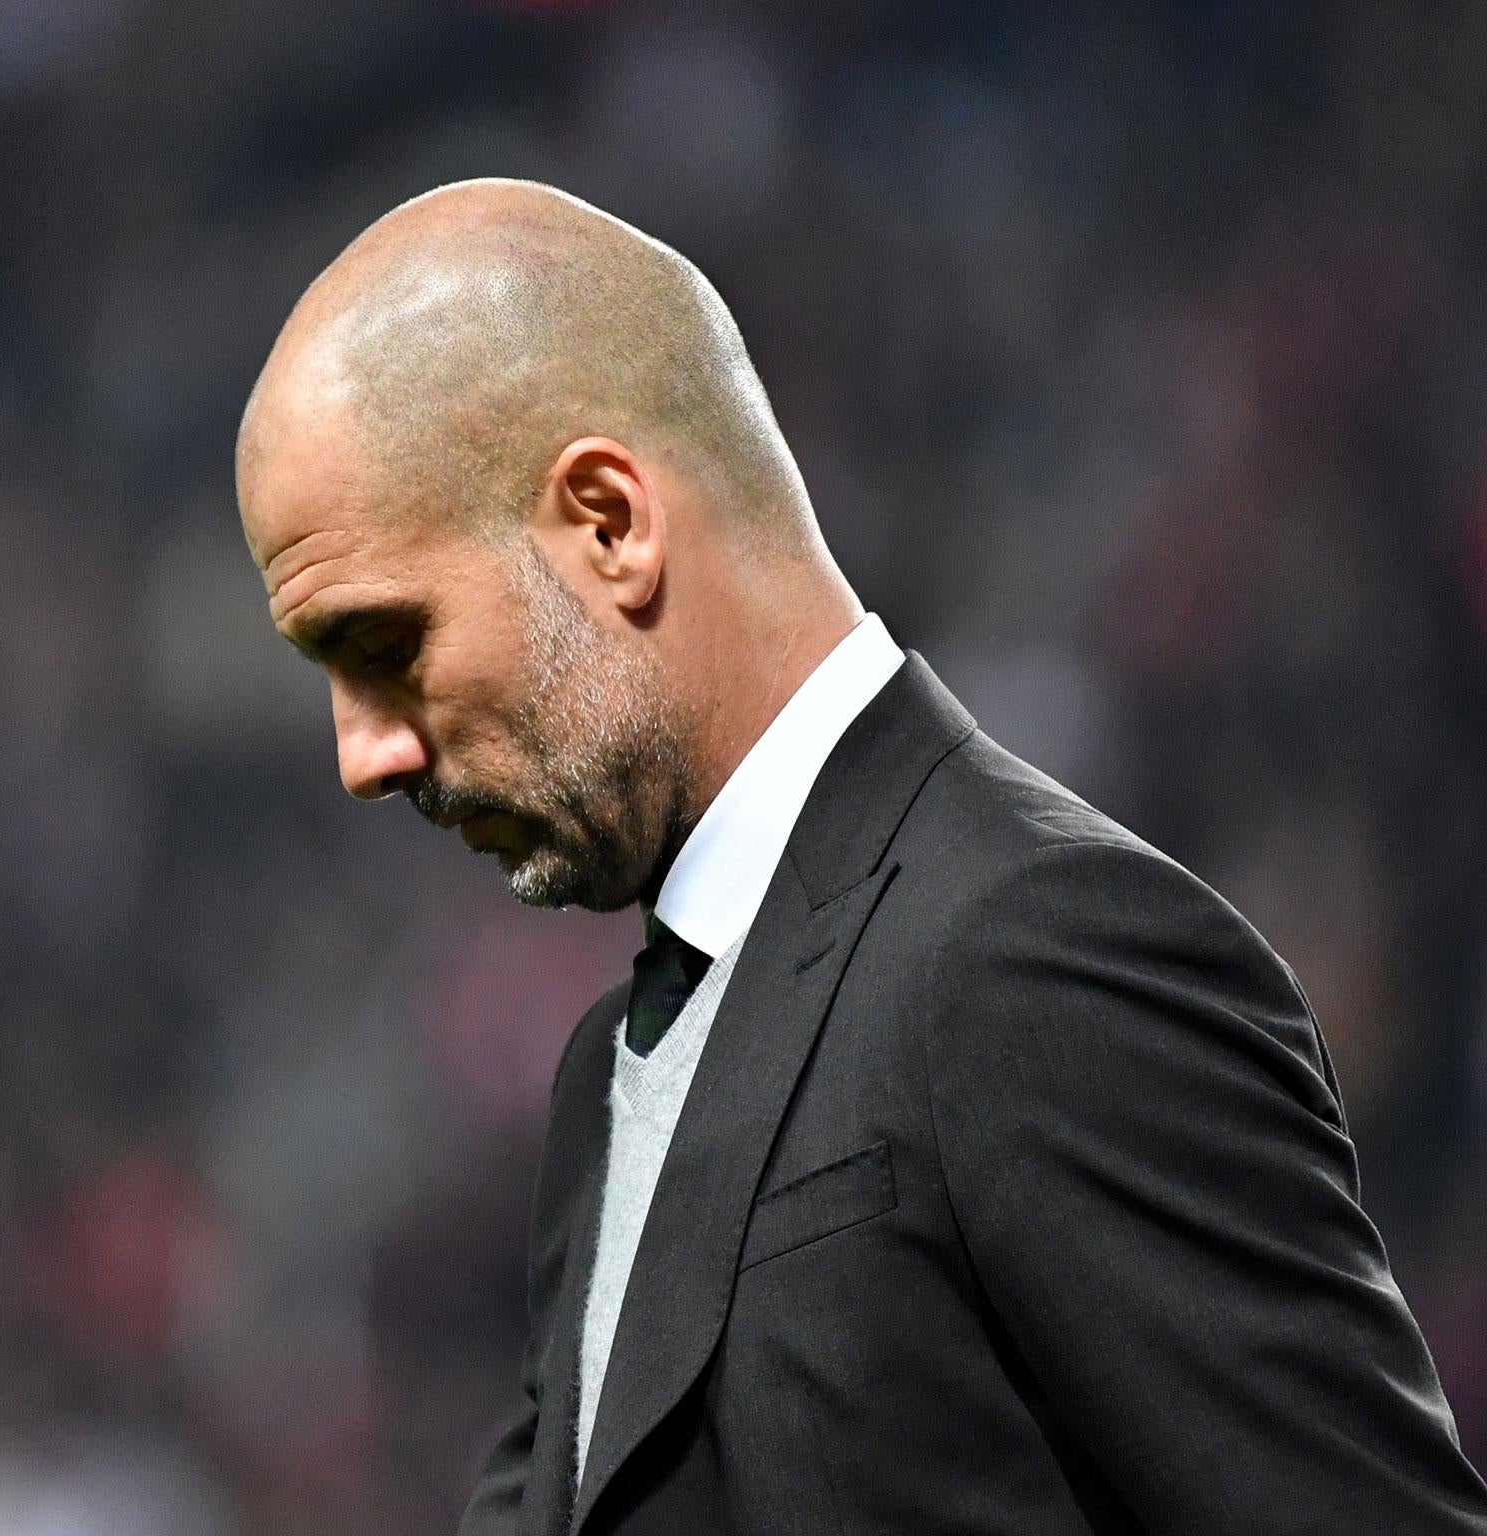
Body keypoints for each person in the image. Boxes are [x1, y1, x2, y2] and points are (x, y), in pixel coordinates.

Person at [232, 178, 1487, 1535]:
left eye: (384, 646)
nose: (366, 754)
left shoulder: (1035, 956)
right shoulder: (614, 1072)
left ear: (609, 523)